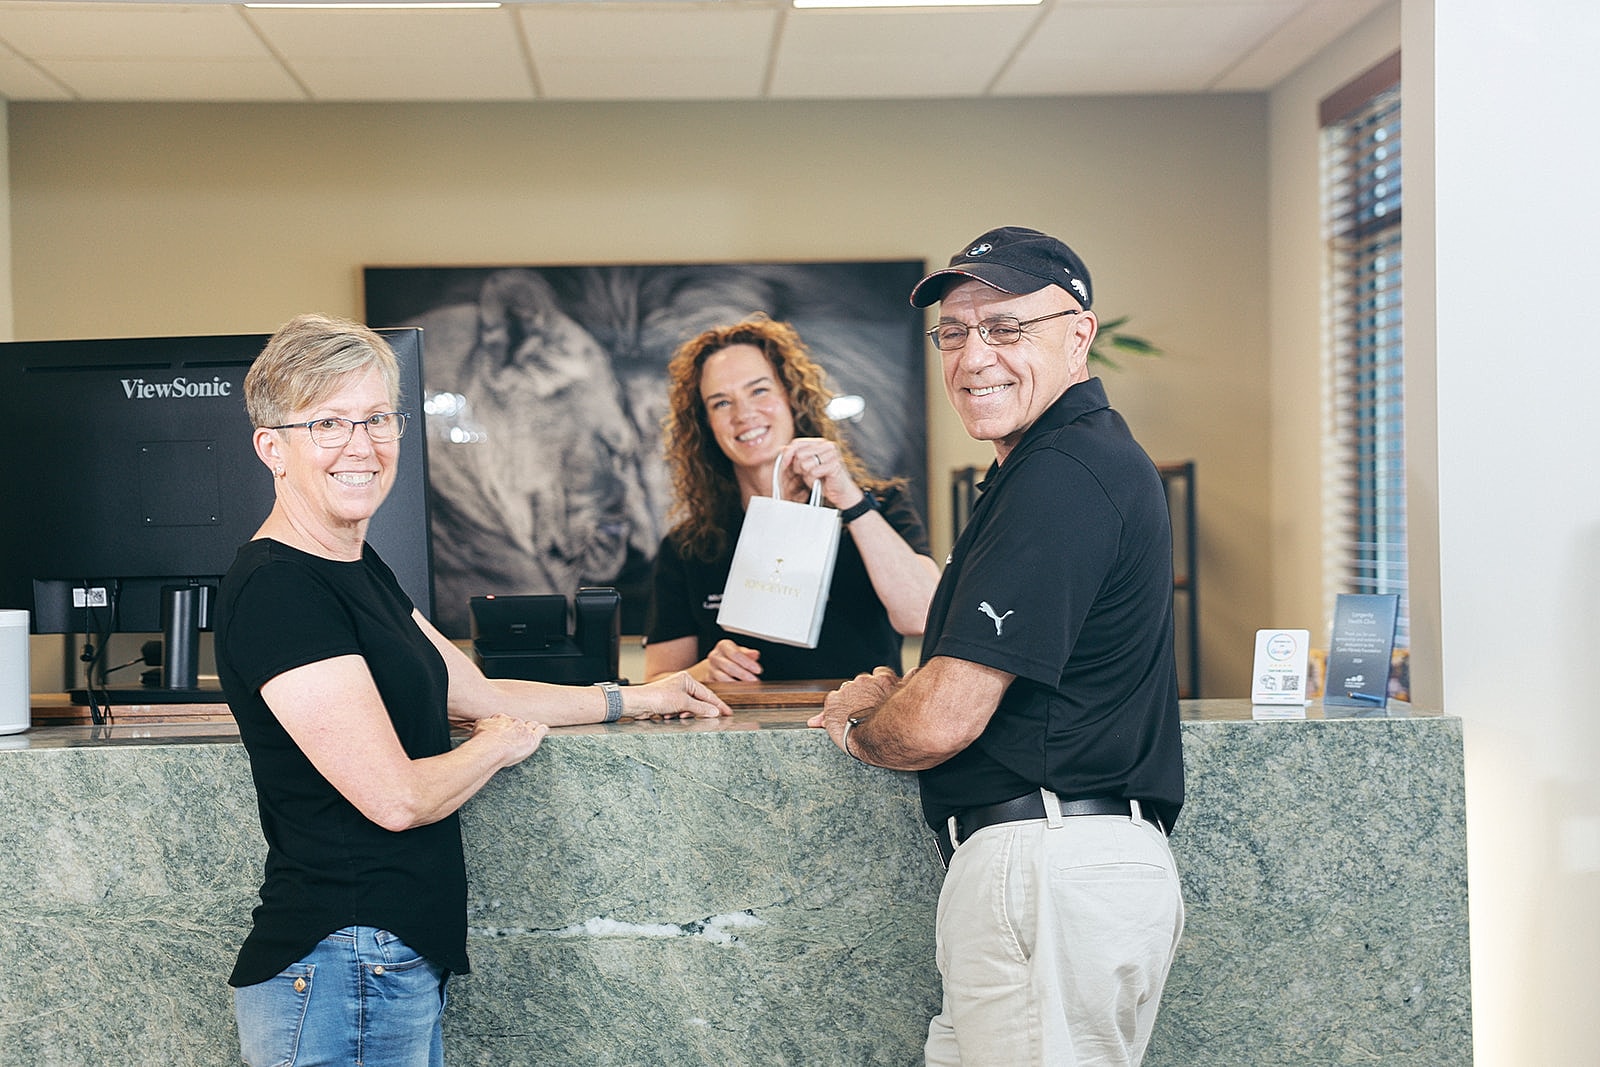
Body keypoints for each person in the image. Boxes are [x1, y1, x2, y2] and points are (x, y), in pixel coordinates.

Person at [214, 313, 729, 1067]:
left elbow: (476, 690)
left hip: (383, 960)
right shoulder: (280, 589)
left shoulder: (359, 569)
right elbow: (398, 797)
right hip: (339, 961)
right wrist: (494, 749)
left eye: (377, 418)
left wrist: (639, 697)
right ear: (273, 447)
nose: (362, 445)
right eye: (328, 422)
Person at [809, 228, 1186, 1066]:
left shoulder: (1062, 474)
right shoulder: (1060, 464)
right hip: (1056, 874)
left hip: (1047, 870)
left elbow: (940, 717)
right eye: (955, 331)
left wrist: (860, 722)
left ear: (1077, 334)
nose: (974, 355)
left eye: (1007, 327)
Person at [644, 314, 940, 683]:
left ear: (792, 397)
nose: (744, 414)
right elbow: (657, 679)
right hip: (737, 738)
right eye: (721, 403)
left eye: (759, 390)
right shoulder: (690, 546)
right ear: (705, 423)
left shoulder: (879, 506)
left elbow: (924, 616)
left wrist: (849, 499)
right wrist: (704, 672)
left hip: (861, 732)